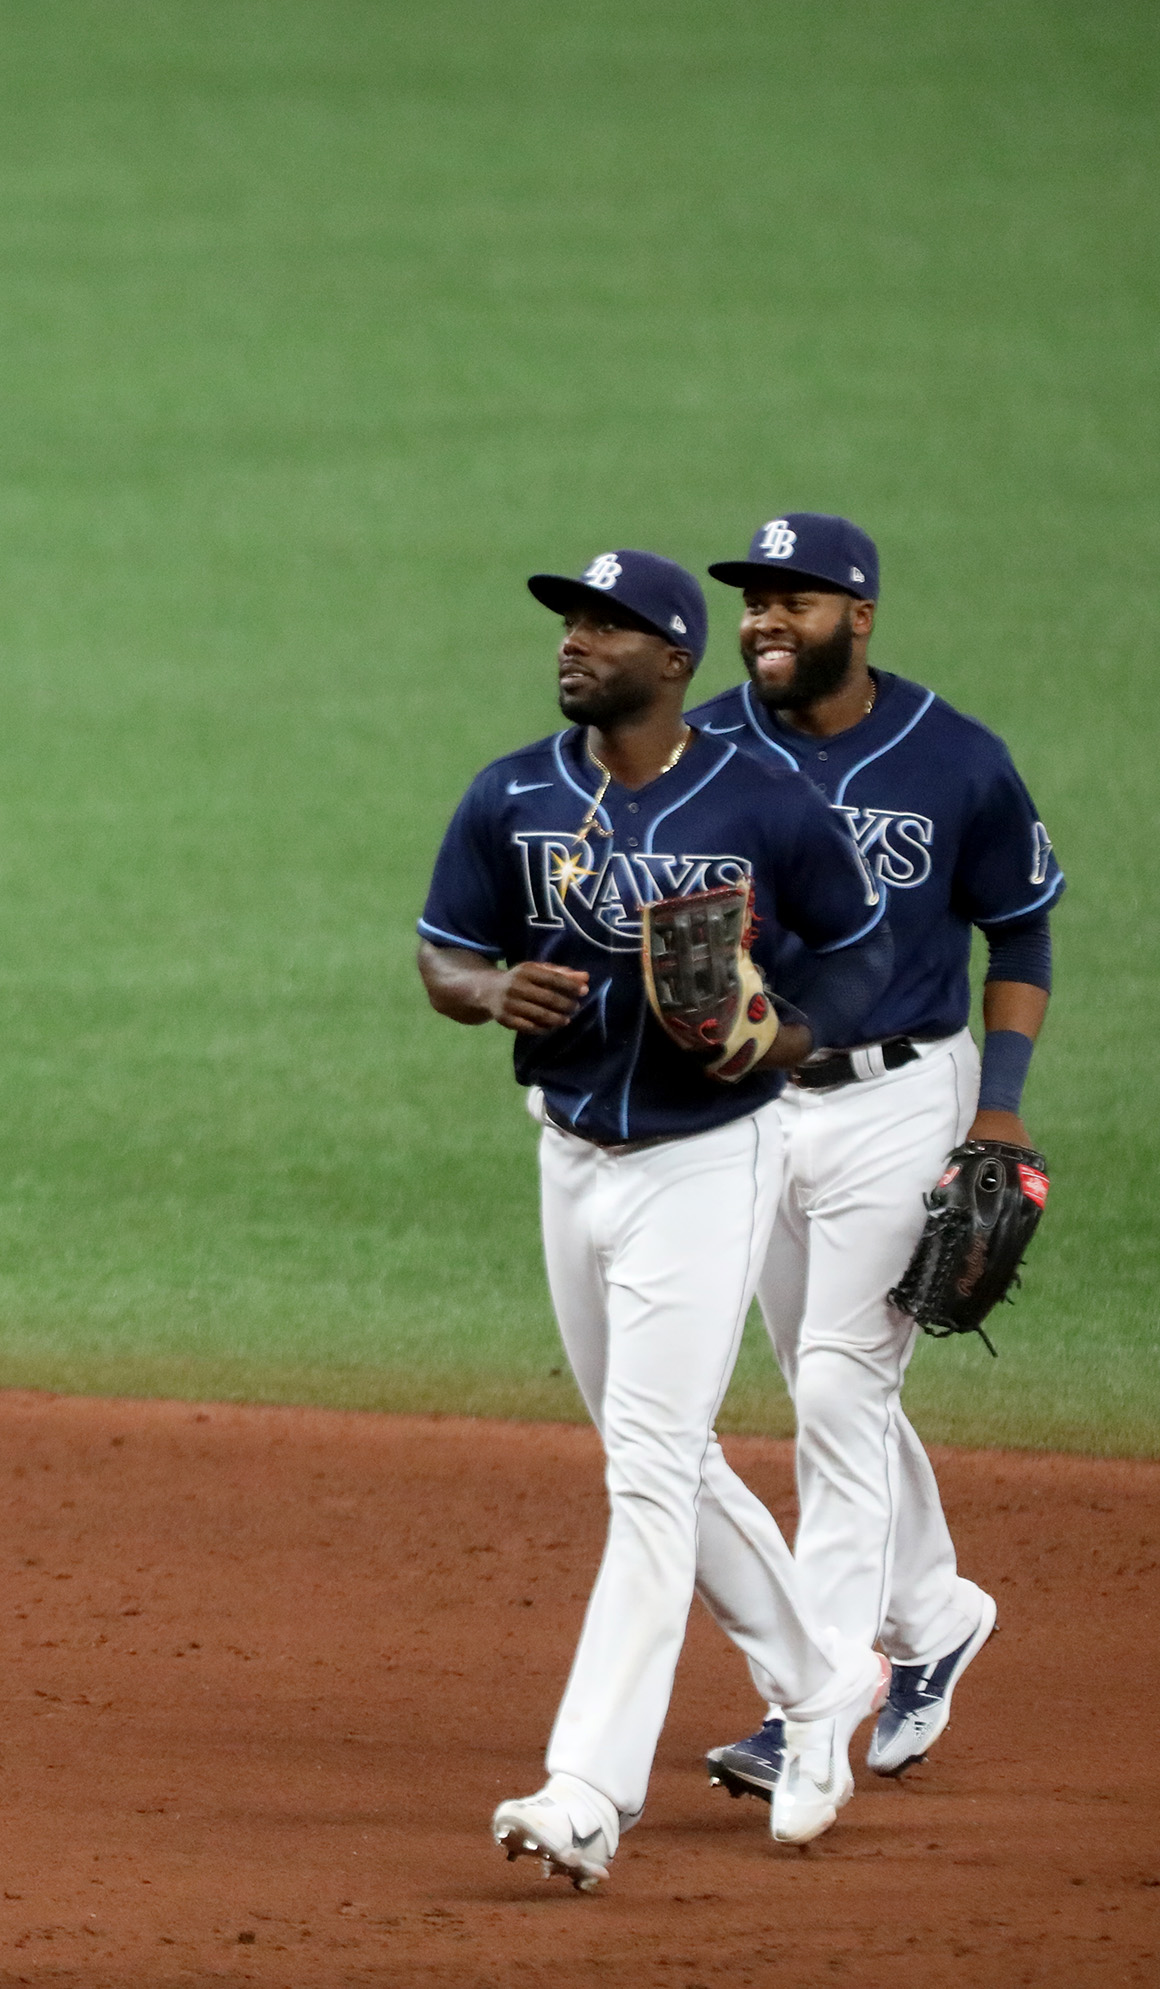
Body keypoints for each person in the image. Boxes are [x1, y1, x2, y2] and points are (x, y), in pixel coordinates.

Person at [415, 549, 897, 1891]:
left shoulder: (765, 799)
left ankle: (585, 1792)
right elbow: (443, 947)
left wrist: (782, 1037)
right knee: (663, 1458)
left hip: (706, 1163)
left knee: (645, 1467)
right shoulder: (512, 791)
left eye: (607, 624)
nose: (575, 639)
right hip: (569, 1155)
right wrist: (487, 990)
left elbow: (869, 953)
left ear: (673, 660)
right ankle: (824, 1676)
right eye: (570, 619)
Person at [680, 515, 1060, 1801]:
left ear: (863, 615)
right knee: (822, 1375)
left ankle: (811, 1708)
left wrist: (997, 1111)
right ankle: (939, 1613)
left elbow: (1021, 936)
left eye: (797, 599)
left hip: (904, 1098)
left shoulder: (957, 761)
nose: (767, 619)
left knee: (841, 1390)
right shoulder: (705, 748)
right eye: (753, 601)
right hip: (750, 1101)